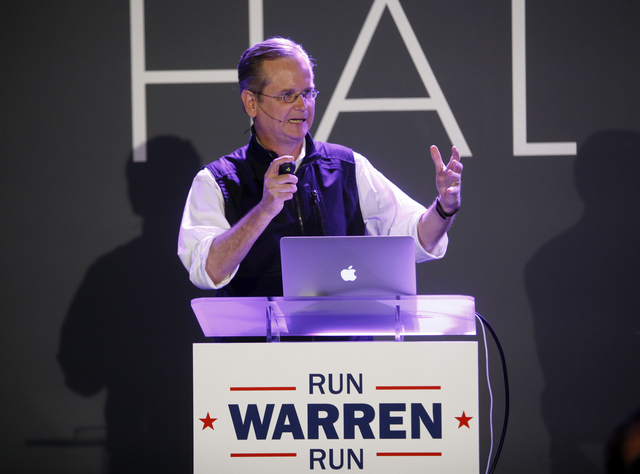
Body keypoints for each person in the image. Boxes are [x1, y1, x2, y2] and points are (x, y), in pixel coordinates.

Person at [178, 37, 463, 297]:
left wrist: (443, 208)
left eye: (309, 93)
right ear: (251, 103)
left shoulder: (347, 166)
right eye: (287, 95)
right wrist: (264, 210)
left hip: (344, 347)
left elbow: (413, 238)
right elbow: (207, 270)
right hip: (261, 350)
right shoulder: (218, 181)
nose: (303, 105)